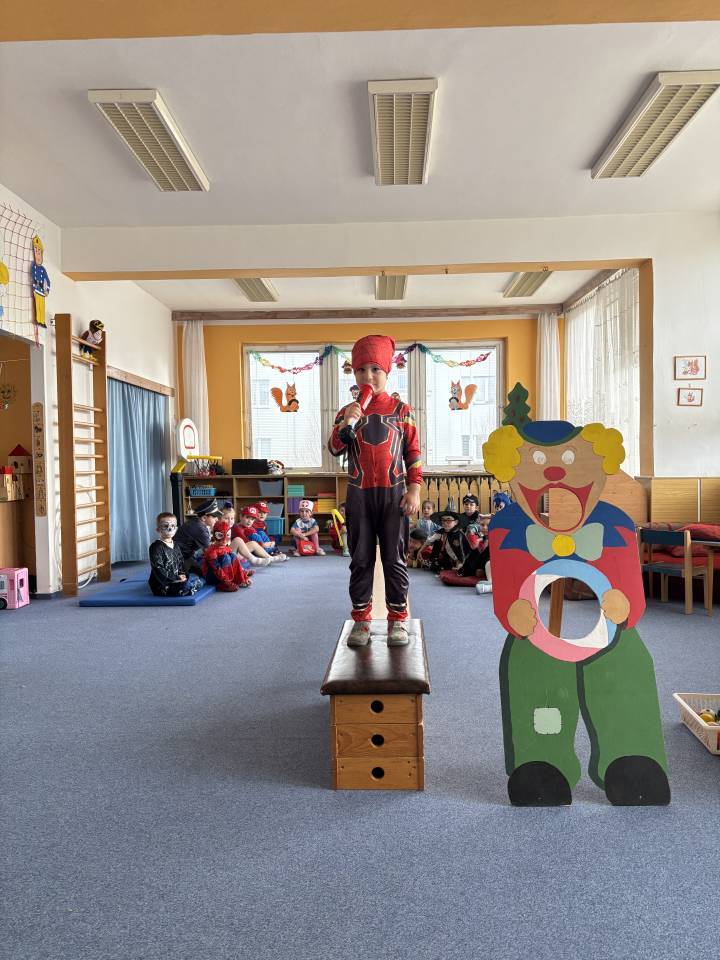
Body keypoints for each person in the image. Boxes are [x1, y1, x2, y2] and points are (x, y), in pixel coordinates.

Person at [482, 392, 669, 806]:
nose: (552, 471)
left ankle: (630, 756)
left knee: (624, 672)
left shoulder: (615, 523)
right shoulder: (507, 528)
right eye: (537, 463)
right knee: (533, 678)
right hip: (537, 636)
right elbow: (509, 584)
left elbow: (627, 582)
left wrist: (624, 606)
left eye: (567, 461)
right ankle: (542, 762)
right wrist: (514, 612)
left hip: (612, 632)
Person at [328, 334, 421, 646]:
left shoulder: (401, 410)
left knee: (395, 559)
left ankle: (397, 619)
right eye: (361, 370)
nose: (368, 376)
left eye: (375, 369)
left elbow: (413, 453)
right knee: (360, 558)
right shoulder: (347, 411)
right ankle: (361, 620)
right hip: (359, 496)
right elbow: (334, 448)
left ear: (387, 372)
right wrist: (346, 424)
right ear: (354, 373)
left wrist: (414, 490)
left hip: (393, 495)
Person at [148, 513, 201, 597]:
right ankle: (189, 587)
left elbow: (180, 562)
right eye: (165, 526)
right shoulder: (156, 547)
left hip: (177, 578)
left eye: (172, 526)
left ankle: (189, 586)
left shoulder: (176, 545)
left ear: (176, 529)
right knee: (188, 584)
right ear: (158, 529)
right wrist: (175, 578)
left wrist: (182, 574)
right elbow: (158, 568)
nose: (169, 528)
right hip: (162, 584)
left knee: (195, 576)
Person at [174, 497, 222, 575]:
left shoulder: (196, 522)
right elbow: (210, 552)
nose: (217, 519)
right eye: (214, 516)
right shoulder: (200, 529)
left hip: (185, 554)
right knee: (207, 572)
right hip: (181, 559)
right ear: (204, 518)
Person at [202, 520, 252, 591]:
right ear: (214, 535)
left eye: (228, 535)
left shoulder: (226, 548)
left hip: (221, 575)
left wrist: (244, 577)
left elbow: (237, 564)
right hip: (210, 577)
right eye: (220, 535)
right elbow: (216, 569)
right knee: (226, 557)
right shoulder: (211, 551)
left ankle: (238, 579)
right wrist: (227, 583)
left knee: (233, 555)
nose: (225, 540)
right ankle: (224, 584)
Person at [408, 500, 439, 566]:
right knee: (413, 545)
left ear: (433, 511)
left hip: (431, 543)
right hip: (421, 543)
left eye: (428, 508)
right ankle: (414, 558)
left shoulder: (435, 522)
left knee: (429, 552)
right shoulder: (420, 521)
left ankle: (422, 562)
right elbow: (416, 530)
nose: (426, 510)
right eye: (424, 508)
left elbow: (439, 532)